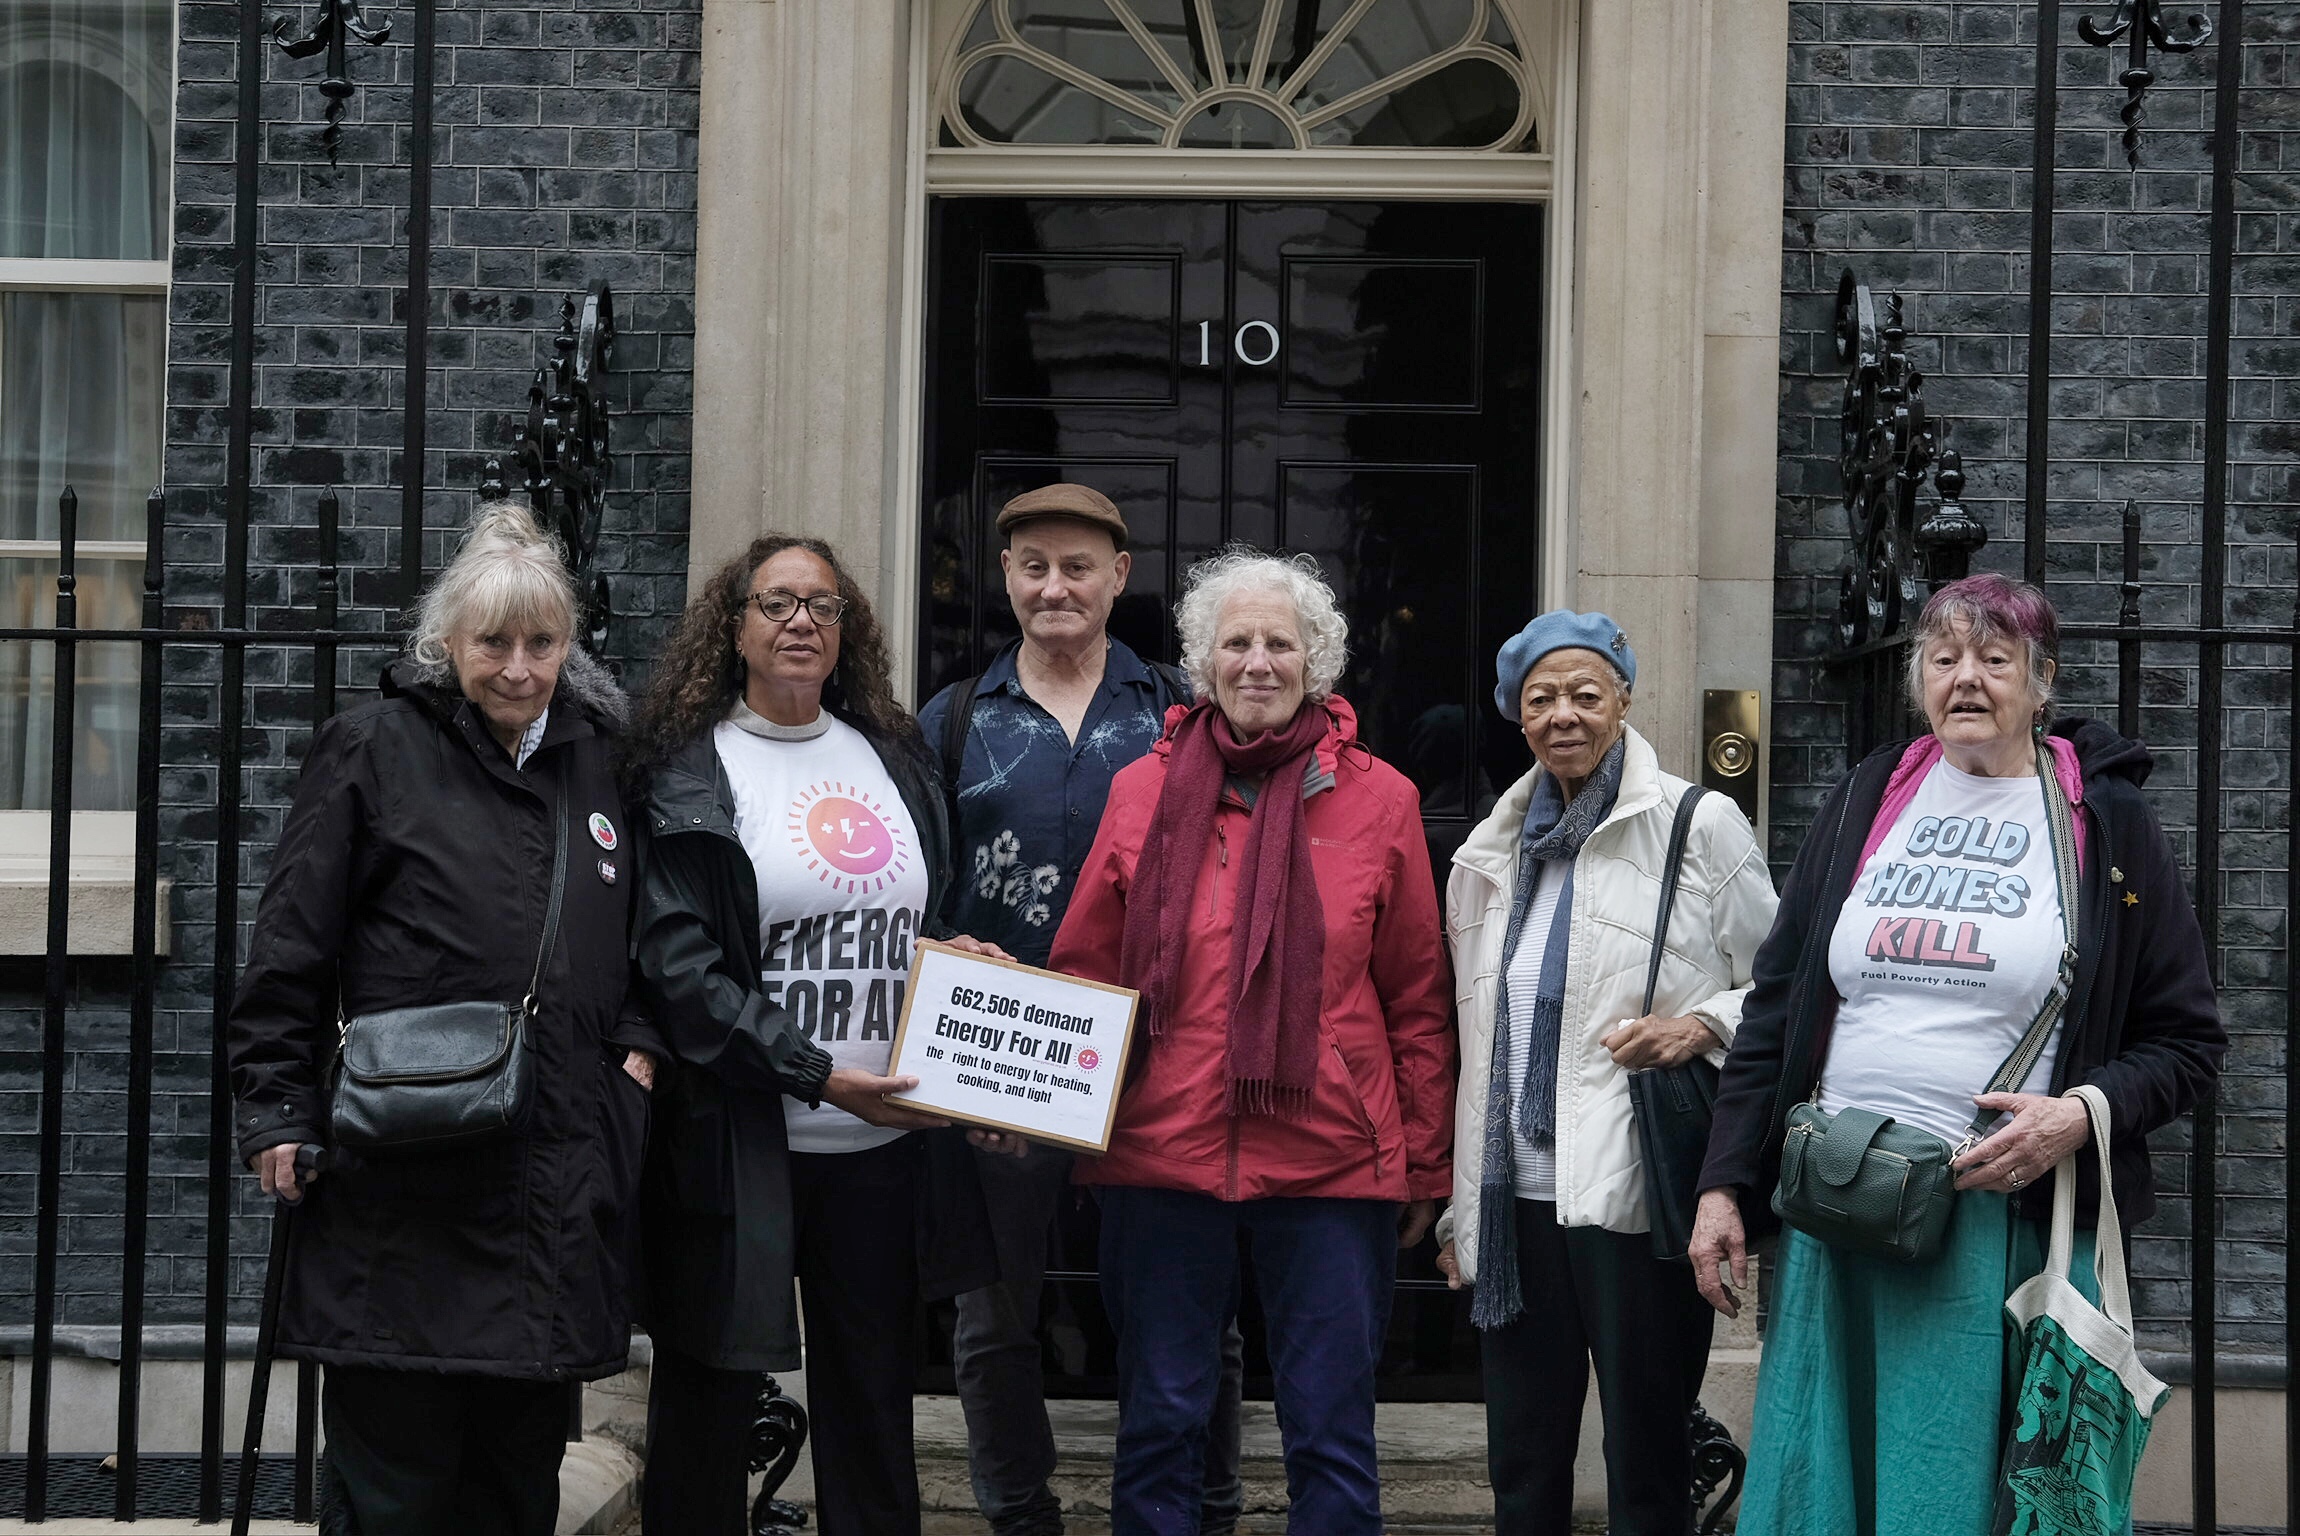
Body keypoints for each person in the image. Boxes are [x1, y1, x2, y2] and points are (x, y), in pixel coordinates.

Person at [1690, 573, 2226, 1534]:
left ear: (2041, 680)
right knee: (1823, 1486)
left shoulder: (2104, 823)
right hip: (1837, 1209)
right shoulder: (1870, 797)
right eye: (1944, 659)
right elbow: (1776, 1007)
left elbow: (2187, 1042)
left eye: (1994, 658)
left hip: (1987, 1222)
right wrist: (1724, 1184)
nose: (1966, 680)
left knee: (1950, 1490)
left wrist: (2076, 1116)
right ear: (1918, 680)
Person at [227, 502, 660, 1536]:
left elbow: (657, 934)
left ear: (568, 646)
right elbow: (291, 946)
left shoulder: (603, 762)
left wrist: (637, 1057)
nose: (518, 668)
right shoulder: (372, 749)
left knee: (514, 1487)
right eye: (493, 643)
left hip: (551, 1184)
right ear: (446, 643)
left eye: (541, 643)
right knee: (395, 1488)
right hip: (401, 1184)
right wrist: (277, 1107)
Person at [1048, 546, 1455, 1536]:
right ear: (1204, 662)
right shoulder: (1140, 795)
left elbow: (1414, 1000)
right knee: (1159, 1427)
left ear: (1316, 661)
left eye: (1280, 642)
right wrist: (1040, 1101)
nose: (1257, 661)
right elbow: (1083, 973)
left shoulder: (1383, 800)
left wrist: (1422, 1164)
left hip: (1329, 1164)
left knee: (1329, 1434)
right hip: (1159, 1157)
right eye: (1236, 641)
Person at [624, 533, 1022, 1536]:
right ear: (735, 625)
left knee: (875, 1421)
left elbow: (913, 923)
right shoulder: (685, 772)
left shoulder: (891, 754)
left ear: (849, 630)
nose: (801, 622)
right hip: (740, 1146)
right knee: (706, 1417)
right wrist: (814, 1072)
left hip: (882, 1153)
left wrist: (959, 960)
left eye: (823, 606)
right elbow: (680, 973)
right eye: (776, 603)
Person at [916, 483, 1242, 1536]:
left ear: (1117, 576)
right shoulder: (951, 718)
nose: (1054, 586)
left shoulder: (1181, 715)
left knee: (1190, 1309)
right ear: (1005, 578)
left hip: (1156, 1052)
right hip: (999, 1055)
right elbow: (901, 884)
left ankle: (1203, 1504)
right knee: (993, 1305)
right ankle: (1019, 1514)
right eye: (1032, 566)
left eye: (1076, 567)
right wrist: (932, 949)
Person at [1433, 611, 1778, 1535]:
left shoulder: (1698, 825)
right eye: (1541, 699)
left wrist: (1698, 1025)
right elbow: (1477, 1045)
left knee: (1648, 1458)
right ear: (1518, 717)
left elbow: (1785, 991)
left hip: (1636, 1198)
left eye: (1587, 694)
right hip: (1516, 1210)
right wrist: (1459, 1208)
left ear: (1625, 698)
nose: (1565, 716)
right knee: (1523, 1465)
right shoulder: (1487, 854)